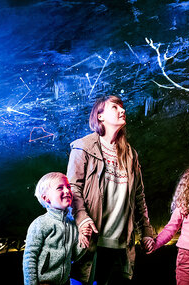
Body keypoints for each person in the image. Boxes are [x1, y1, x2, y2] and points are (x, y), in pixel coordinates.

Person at [66, 95, 154, 285]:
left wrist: (146, 231)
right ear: (100, 116)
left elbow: (138, 196)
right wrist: (82, 219)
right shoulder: (83, 148)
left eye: (122, 107)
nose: (122, 110)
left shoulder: (130, 154)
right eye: (115, 107)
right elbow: (73, 188)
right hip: (90, 242)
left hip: (120, 246)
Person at [23, 172, 86, 285]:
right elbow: (29, 258)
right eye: (60, 188)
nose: (67, 190)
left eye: (68, 187)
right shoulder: (40, 223)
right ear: (46, 198)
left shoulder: (72, 224)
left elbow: (74, 256)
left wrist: (84, 238)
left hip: (65, 282)